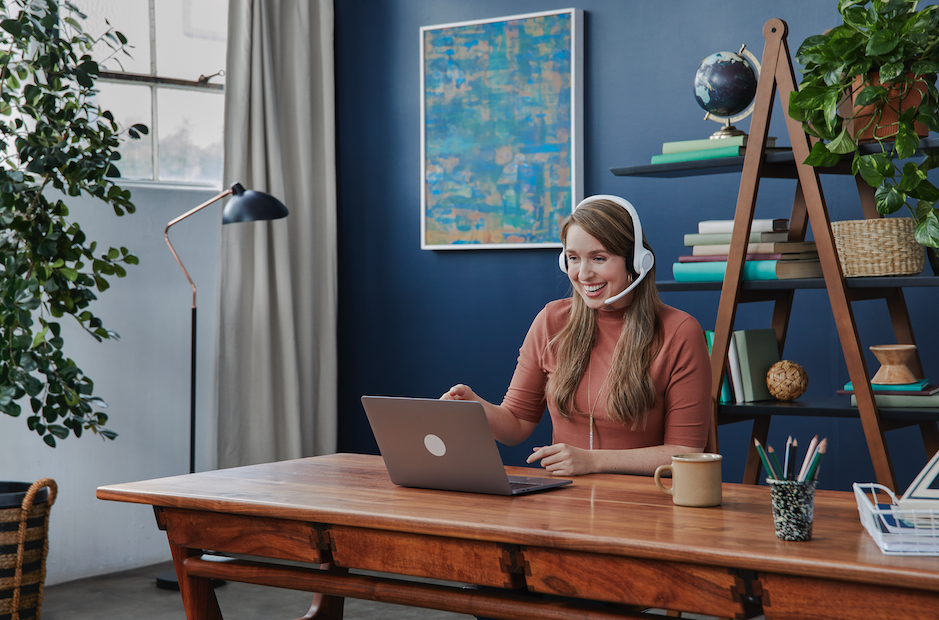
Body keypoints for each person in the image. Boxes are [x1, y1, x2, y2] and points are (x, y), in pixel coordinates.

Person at [442, 195, 711, 476]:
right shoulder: (551, 321)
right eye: (573, 258)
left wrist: (592, 461)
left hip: (643, 504)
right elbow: (517, 423)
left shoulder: (679, 332)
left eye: (599, 258)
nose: (583, 273)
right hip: (565, 501)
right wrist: (475, 406)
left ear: (636, 262)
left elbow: (686, 454)